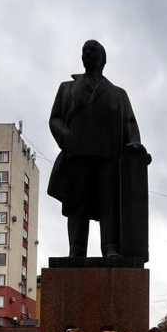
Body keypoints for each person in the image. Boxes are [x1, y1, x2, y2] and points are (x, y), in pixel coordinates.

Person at [48, 40, 143, 258]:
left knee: (108, 204)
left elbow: (130, 123)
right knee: (77, 203)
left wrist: (134, 144)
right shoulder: (67, 88)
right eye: (84, 51)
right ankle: (77, 249)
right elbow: (55, 119)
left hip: (107, 155)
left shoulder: (118, 94)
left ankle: (110, 248)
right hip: (77, 153)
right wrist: (66, 137)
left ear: (103, 59)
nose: (87, 54)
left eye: (92, 51)